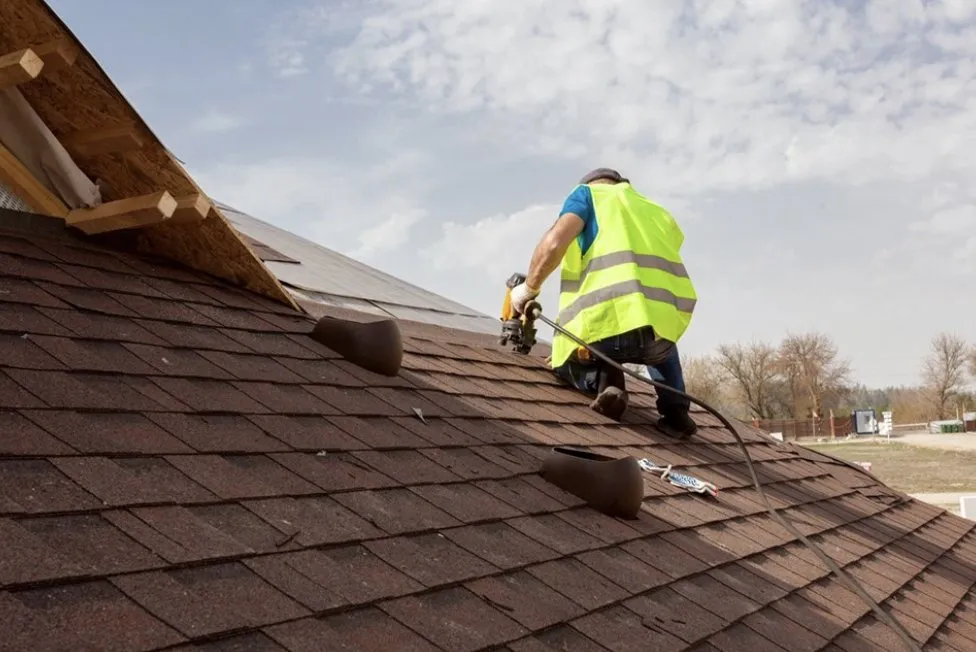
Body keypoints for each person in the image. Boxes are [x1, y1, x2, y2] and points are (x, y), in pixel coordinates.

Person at [509, 168, 698, 438]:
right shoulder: (653, 209)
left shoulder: (587, 196)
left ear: (593, 184)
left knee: (565, 360)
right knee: (659, 337)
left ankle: (609, 384)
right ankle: (676, 411)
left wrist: (528, 289)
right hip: (660, 331)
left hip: (606, 329)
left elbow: (553, 244)